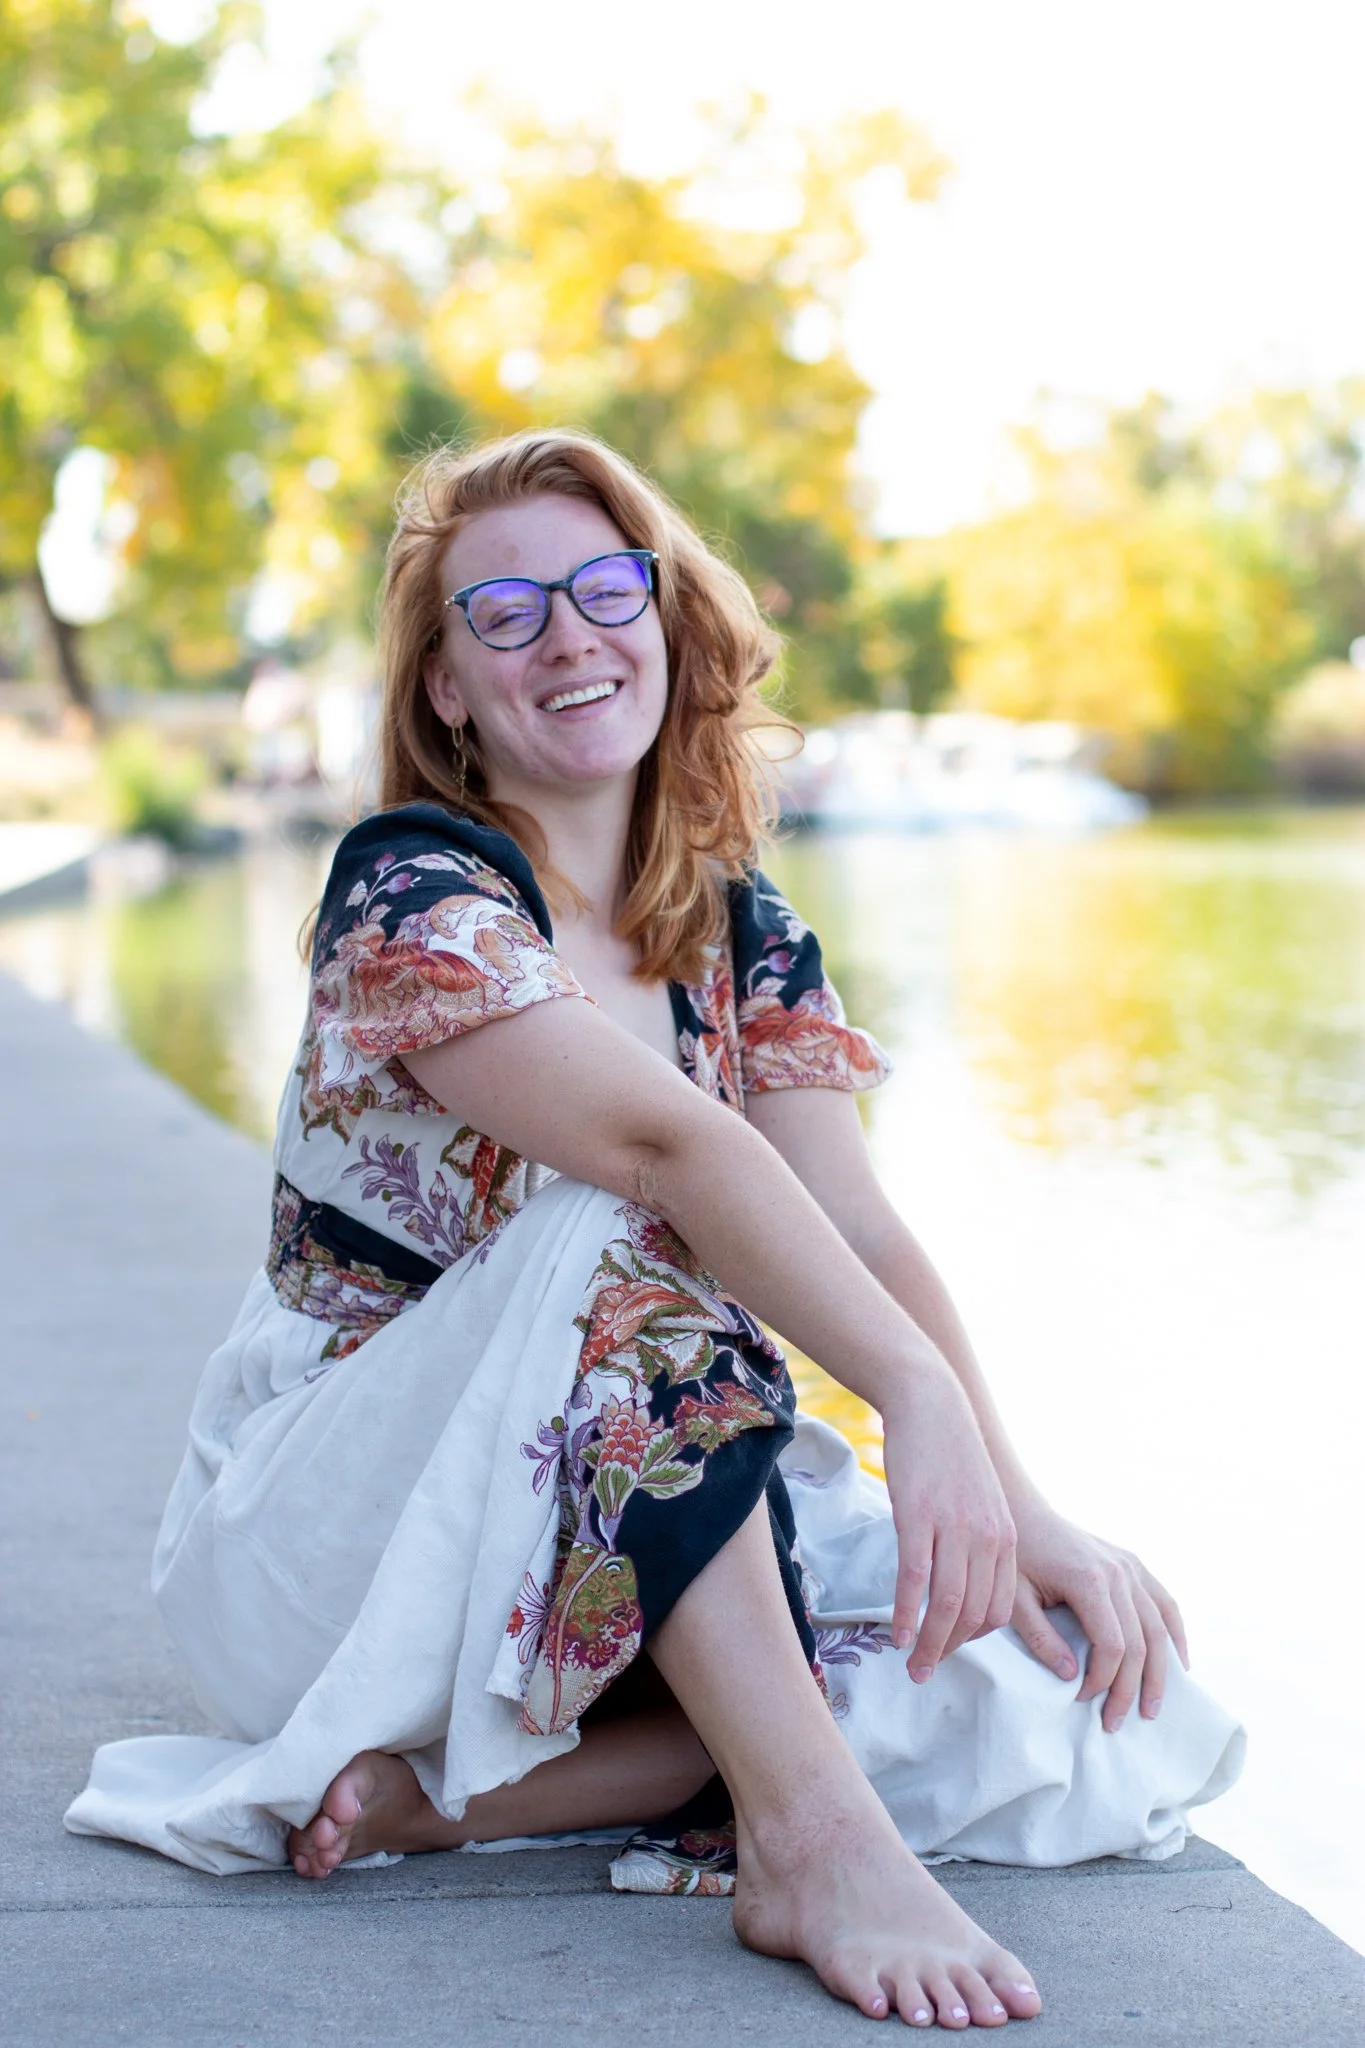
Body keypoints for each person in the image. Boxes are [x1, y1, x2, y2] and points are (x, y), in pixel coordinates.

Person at [67, 430, 1243, 2030]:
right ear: (446, 695)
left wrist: (1011, 1499)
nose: (569, 634)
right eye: (506, 615)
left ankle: (438, 1802)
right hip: (334, 1542)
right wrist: (910, 1404)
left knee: (1067, 1705)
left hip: (577, 1546)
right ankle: (813, 1846)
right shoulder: (412, 891)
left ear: (666, 617)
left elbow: (853, 1220)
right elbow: (658, 1143)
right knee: (612, 1227)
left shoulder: (741, 929)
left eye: (604, 586)